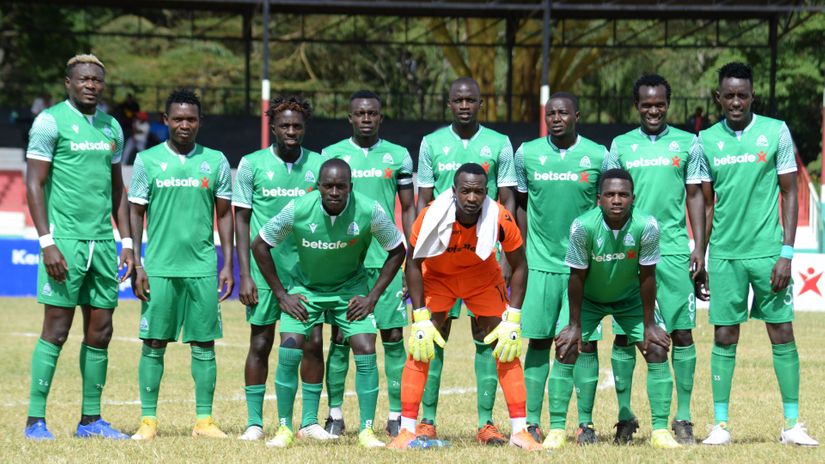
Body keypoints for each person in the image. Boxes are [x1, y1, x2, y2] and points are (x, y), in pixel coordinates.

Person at [695, 62, 817, 446]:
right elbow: (705, 202)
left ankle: (793, 424)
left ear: (752, 96)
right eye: (728, 95)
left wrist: (786, 252)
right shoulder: (705, 140)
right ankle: (720, 426)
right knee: (725, 334)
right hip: (726, 254)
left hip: (768, 253)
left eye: (742, 95)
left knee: (782, 331)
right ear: (718, 97)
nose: (735, 101)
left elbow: (791, 191)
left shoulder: (775, 131)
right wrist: (701, 252)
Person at [252, 158, 406, 449]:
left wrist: (372, 297)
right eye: (328, 186)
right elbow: (260, 244)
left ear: (351, 187)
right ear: (318, 187)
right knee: (290, 345)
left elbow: (398, 250)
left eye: (341, 186)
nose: (334, 192)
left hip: (350, 290)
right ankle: (285, 428)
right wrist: (282, 295)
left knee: (365, 346)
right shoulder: (298, 208)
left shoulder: (369, 210)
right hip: (305, 289)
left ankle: (366, 431)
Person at [388, 163, 542, 451]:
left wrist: (513, 318)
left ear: (487, 192)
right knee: (421, 345)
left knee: (506, 345)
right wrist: (420, 316)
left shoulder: (499, 216)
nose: (472, 198)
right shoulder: (431, 214)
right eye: (466, 191)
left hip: (482, 279)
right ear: (455, 191)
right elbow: (413, 262)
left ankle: (520, 431)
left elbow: (520, 265)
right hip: (438, 278)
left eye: (479, 192)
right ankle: (407, 431)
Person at [24, 53, 133, 441]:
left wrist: (128, 242)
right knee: (55, 330)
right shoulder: (50, 122)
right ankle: (35, 420)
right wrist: (46, 241)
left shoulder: (112, 128)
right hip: (65, 242)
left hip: (104, 244)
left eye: (97, 80)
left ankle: (90, 421)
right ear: (68, 82)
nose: (91, 85)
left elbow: (118, 189)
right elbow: (34, 184)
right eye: (84, 79)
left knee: (100, 331)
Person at [604, 74, 708, 445]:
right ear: (637, 106)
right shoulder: (620, 146)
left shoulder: (688, 143)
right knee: (623, 334)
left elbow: (696, 195)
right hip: (629, 251)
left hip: (675, 250)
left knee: (681, 332)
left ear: (668, 103)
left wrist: (699, 247)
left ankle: (682, 418)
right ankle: (625, 416)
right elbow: (606, 198)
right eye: (646, 104)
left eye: (659, 104)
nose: (653, 110)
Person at [415, 76, 517, 444]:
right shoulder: (431, 144)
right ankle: (426, 421)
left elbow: (507, 201)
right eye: (457, 100)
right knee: (432, 335)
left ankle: (486, 423)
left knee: (486, 336)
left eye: (470, 100)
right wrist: (420, 252)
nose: (463, 105)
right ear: (448, 104)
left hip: (483, 258)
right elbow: (422, 201)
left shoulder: (499, 144)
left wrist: (505, 253)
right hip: (439, 260)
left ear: (480, 103)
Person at [128, 89, 234, 440]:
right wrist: (138, 262)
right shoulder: (147, 160)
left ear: (199, 122)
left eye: (191, 119)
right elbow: (135, 212)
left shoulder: (216, 161)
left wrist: (227, 263)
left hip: (202, 267)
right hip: (158, 268)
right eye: (178, 118)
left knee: (204, 344)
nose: (184, 124)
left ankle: (204, 422)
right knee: (154, 342)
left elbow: (224, 216)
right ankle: (148, 421)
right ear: (166, 121)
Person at [556, 168, 681, 449]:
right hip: (589, 299)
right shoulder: (582, 226)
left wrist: (650, 325)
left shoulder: (647, 225)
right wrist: (574, 325)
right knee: (567, 348)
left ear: (633, 198)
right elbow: (575, 277)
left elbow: (647, 276)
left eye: (623, 195)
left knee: (657, 348)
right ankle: (562, 428)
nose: (616, 200)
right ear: (598, 198)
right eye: (610, 195)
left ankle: (660, 430)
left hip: (630, 299)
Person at [514, 92, 610, 448]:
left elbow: (609, 206)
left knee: (584, 344)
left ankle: (585, 424)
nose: (556, 118)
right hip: (539, 264)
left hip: (583, 269)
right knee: (538, 340)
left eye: (563, 113)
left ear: (577, 115)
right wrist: (518, 255)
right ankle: (533, 422)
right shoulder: (527, 153)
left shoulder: (599, 154)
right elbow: (521, 205)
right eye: (550, 113)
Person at [321, 90, 416, 438]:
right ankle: (334, 414)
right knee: (342, 338)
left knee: (392, 336)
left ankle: (395, 415)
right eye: (359, 113)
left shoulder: (399, 156)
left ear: (380, 117)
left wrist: (413, 256)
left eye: (372, 113)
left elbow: (407, 208)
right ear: (350, 117)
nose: (365, 118)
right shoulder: (331, 155)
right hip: (346, 264)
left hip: (387, 260)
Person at [233, 96, 329, 442]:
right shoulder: (251, 164)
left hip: (307, 272)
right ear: (272, 127)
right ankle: (255, 423)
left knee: (313, 342)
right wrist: (244, 273)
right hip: (263, 271)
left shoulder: (320, 165)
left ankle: (308, 422)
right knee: (260, 342)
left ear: (305, 128)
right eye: (284, 125)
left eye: (297, 126)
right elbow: (241, 220)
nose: (291, 131)